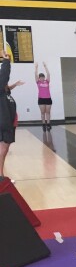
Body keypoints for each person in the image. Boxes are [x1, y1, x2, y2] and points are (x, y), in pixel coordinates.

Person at [0, 49, 21, 181]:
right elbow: (4, 75)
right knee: (2, 149)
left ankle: (1, 176)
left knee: (4, 149)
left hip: (9, 125)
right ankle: (0, 177)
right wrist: (6, 60)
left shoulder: (5, 93)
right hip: (3, 124)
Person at [34, 62, 51, 131]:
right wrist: (36, 67)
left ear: (44, 77)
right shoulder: (38, 82)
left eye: (42, 77)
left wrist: (45, 66)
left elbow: (48, 74)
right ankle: (43, 124)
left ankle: (48, 124)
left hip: (48, 98)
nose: (41, 78)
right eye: (40, 77)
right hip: (41, 99)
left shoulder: (47, 81)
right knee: (42, 112)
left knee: (48, 112)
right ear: (39, 78)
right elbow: (35, 74)